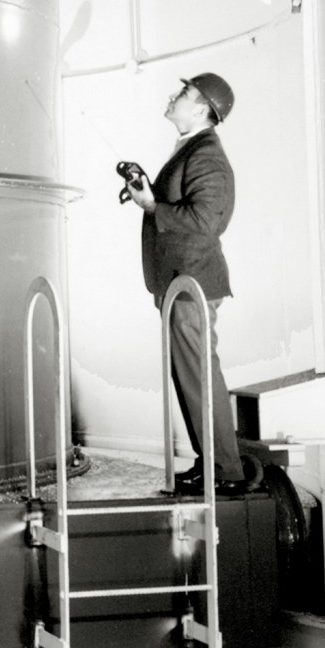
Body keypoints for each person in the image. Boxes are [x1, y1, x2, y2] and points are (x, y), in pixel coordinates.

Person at [123, 71, 247, 491]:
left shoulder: (206, 154)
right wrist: (150, 195)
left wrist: (152, 205)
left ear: (200, 108)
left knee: (197, 375)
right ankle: (210, 463)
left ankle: (226, 472)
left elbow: (205, 221)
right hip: (178, 284)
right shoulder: (191, 150)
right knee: (188, 376)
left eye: (184, 92)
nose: (174, 96)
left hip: (192, 287)